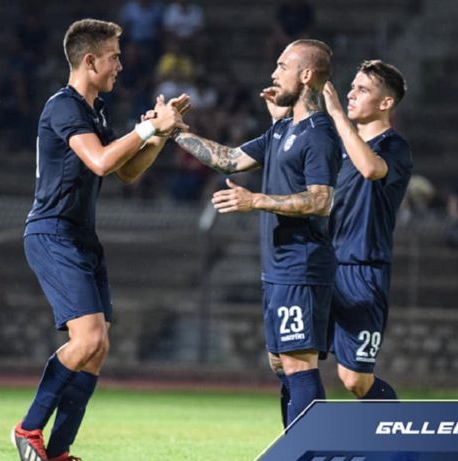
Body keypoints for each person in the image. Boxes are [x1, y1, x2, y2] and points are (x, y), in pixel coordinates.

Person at [13, 19, 188, 461]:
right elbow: (99, 161)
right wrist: (146, 129)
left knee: (97, 348)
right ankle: (28, 428)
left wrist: (159, 134)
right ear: (90, 61)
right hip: (52, 232)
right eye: (114, 57)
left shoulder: (95, 110)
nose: (120, 66)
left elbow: (126, 170)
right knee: (88, 340)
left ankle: (58, 452)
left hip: (80, 236)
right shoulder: (64, 106)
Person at [173, 39, 340, 429]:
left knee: (298, 363)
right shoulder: (283, 129)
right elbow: (230, 159)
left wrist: (256, 200)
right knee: (281, 362)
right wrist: (175, 132)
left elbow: (321, 200)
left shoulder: (319, 134)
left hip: (302, 265)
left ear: (306, 75)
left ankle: (313, 449)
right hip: (279, 268)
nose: (273, 73)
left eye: (282, 66)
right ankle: (299, 443)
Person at [322, 60, 412, 400]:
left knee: (354, 379)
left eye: (362, 89)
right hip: (323, 265)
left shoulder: (394, 147)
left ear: (385, 102)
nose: (351, 94)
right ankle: (307, 431)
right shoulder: (338, 146)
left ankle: (399, 431)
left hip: (362, 270)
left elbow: (371, 169)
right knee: (291, 357)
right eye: (352, 87)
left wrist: (337, 117)